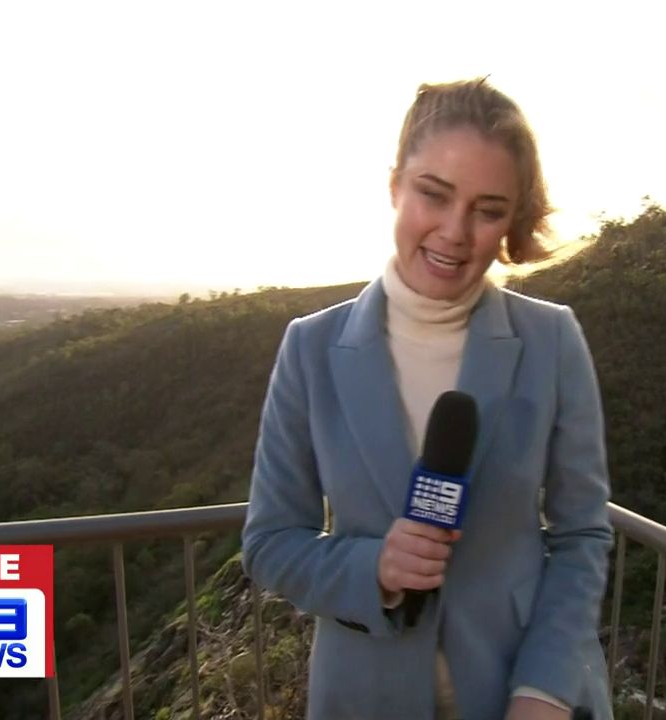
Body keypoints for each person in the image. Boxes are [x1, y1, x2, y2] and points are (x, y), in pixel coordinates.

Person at [241, 77, 614, 720]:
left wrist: (546, 689)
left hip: (520, 693)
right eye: (433, 195)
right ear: (395, 186)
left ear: (511, 221)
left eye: (487, 210)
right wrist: (375, 567)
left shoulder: (552, 340)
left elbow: (582, 533)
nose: (454, 232)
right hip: (364, 697)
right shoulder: (309, 348)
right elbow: (270, 542)